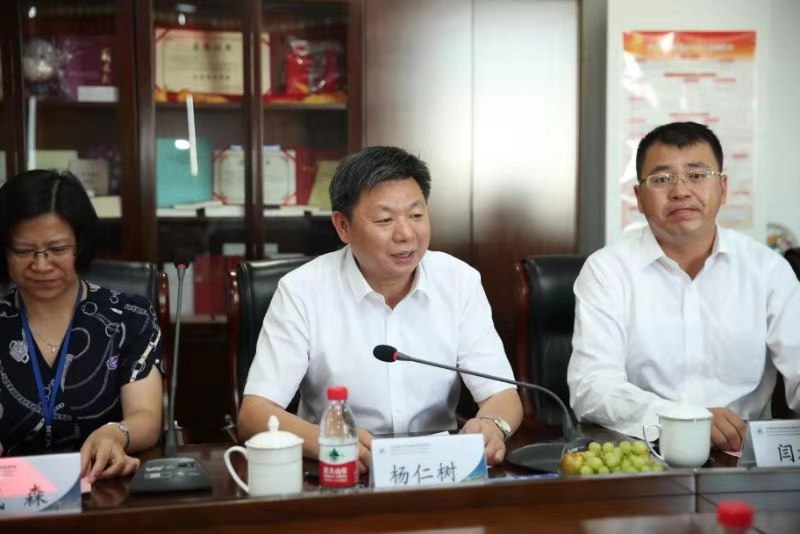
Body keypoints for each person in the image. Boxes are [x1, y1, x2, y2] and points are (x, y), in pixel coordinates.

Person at [238, 146, 523, 470]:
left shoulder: (459, 282)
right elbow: (254, 414)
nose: (406, 234)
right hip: (341, 471)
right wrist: (330, 440)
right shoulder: (302, 291)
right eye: (385, 220)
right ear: (343, 226)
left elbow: (502, 394)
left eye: (416, 216)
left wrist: (493, 426)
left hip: (436, 468)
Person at [567, 121, 800, 451]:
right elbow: (591, 387)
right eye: (662, 179)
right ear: (639, 197)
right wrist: (684, 419)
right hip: (643, 452)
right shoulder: (607, 270)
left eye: (697, 175)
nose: (680, 191)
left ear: (723, 188)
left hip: (743, 456)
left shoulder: (768, 270)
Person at [0, 170, 164, 482]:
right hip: (10, 493)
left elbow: (146, 416)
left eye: (58, 249)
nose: (41, 265)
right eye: (23, 251)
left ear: (81, 245)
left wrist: (117, 434)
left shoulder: (128, 316)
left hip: (103, 486)